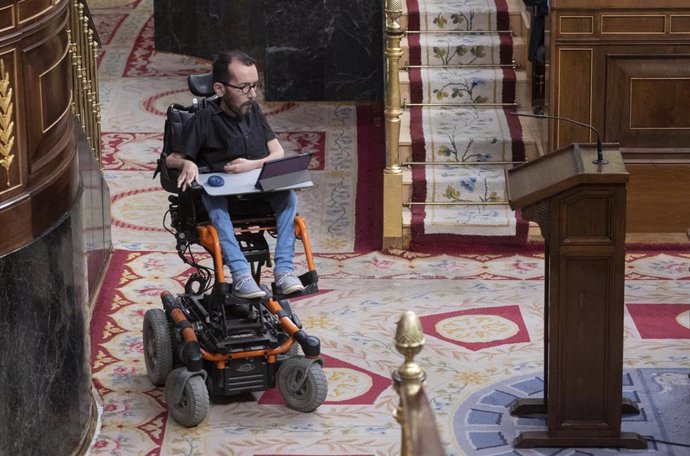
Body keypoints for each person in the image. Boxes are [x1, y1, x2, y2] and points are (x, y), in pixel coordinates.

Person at [166, 50, 305, 299]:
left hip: (254, 188)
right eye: (244, 87)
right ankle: (241, 275)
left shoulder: (253, 111)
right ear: (220, 88)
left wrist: (251, 165)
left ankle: (284, 272)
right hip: (223, 194)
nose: (252, 94)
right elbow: (171, 158)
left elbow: (277, 152)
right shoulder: (204, 119)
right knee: (213, 203)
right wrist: (187, 163)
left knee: (289, 198)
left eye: (255, 85)